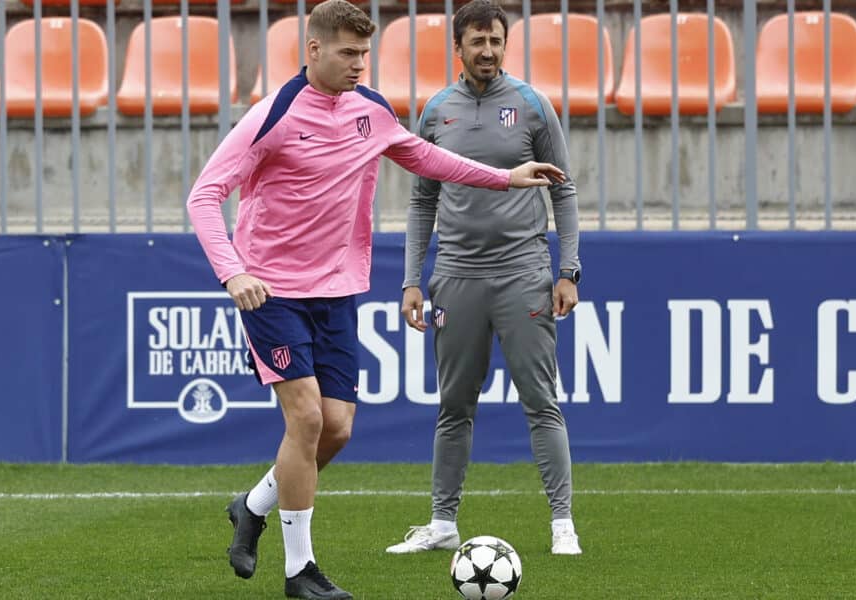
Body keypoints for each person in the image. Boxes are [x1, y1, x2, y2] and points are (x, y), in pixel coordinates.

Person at [186, 1, 565, 598]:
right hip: (271, 290)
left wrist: (507, 176)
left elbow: (423, 157)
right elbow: (204, 197)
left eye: (365, 53)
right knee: (306, 418)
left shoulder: (372, 110)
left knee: (335, 429)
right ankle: (299, 572)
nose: (359, 65)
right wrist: (233, 274)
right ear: (312, 51)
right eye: (346, 53)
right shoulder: (274, 115)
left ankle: (253, 506)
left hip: (337, 291)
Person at [385, 0, 583, 557]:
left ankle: (562, 523)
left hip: (524, 273)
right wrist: (411, 280)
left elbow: (562, 191)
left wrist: (567, 270)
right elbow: (422, 201)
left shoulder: (531, 105)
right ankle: (443, 523)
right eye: (478, 41)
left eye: (496, 40)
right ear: (459, 48)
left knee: (541, 401)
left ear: (505, 44)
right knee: (455, 406)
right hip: (456, 277)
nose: (488, 50)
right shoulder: (435, 111)